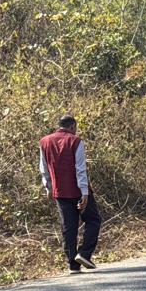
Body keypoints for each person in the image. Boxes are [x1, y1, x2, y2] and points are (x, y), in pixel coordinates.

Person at [39, 115, 101, 273]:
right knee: (93, 220)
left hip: (60, 191)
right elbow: (80, 168)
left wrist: (48, 188)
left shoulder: (44, 141)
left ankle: (73, 265)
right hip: (77, 190)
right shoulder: (76, 141)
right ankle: (84, 253)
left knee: (68, 226)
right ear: (72, 126)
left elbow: (44, 168)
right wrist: (84, 193)